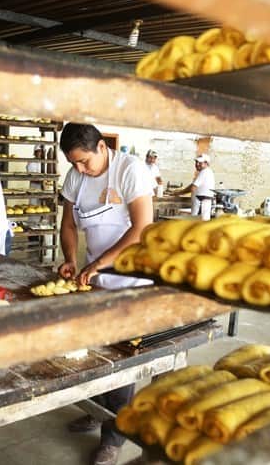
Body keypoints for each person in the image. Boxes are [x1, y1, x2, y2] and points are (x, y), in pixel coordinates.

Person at [58, 123, 153, 465]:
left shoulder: (130, 170)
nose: (80, 169)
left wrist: (98, 262)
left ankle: (113, 439)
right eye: (74, 164)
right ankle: (98, 411)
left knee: (121, 362)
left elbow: (142, 228)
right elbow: (68, 223)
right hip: (95, 280)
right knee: (95, 353)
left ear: (102, 147)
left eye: (84, 161)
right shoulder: (76, 176)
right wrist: (70, 258)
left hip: (131, 282)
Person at [174, 153, 216, 221]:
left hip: (200, 206)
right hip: (202, 206)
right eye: (196, 162)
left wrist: (179, 193)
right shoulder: (207, 172)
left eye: (200, 162)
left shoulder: (204, 172)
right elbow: (193, 184)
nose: (197, 164)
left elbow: (193, 188)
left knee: (197, 224)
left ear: (206, 163)